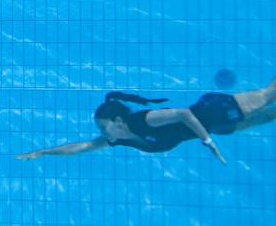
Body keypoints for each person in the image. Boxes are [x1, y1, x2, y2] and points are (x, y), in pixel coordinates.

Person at [16, 79, 276, 163]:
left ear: (118, 120)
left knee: (267, 95)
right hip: (219, 126)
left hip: (215, 111)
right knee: (271, 114)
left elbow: (184, 113)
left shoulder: (145, 120)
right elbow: (82, 147)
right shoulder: (120, 139)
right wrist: (44, 152)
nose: (101, 133)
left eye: (102, 126)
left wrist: (206, 141)